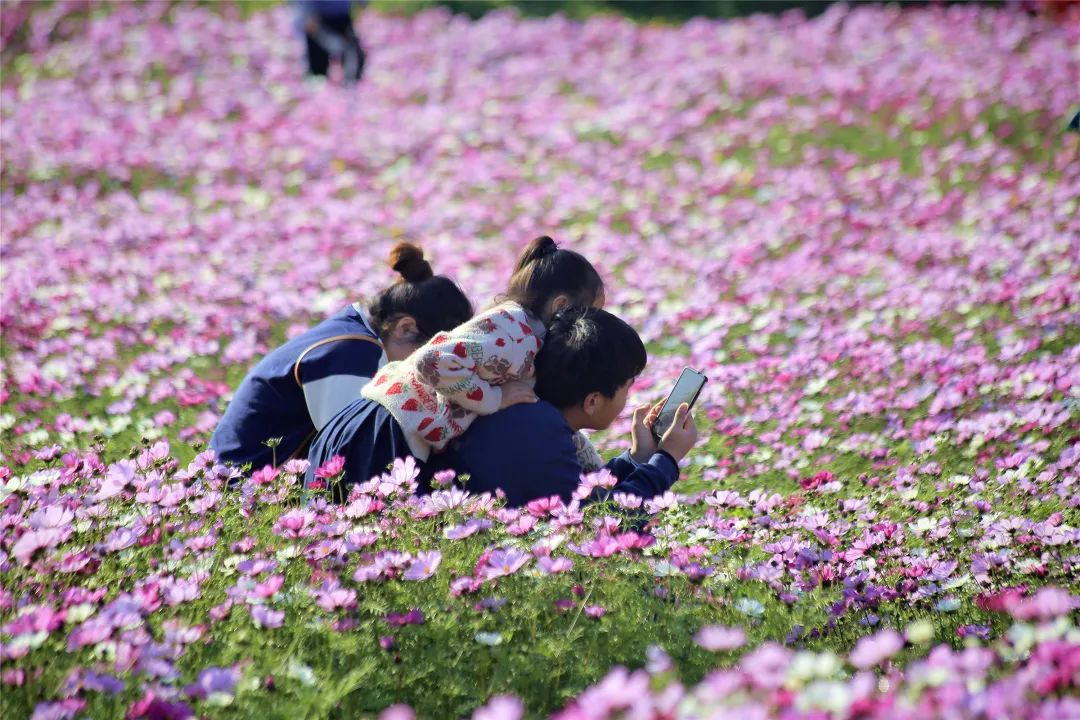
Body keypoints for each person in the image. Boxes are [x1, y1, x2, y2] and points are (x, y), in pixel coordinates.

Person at [304, 236, 606, 494]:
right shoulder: (515, 331)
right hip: (384, 428)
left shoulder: (522, 332)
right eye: (591, 314)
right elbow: (432, 362)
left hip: (388, 425)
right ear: (561, 306)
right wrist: (494, 400)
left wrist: (596, 470)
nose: (590, 328)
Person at [210, 243, 472, 472]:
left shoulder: (352, 331)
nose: (433, 374)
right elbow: (353, 452)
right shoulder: (352, 351)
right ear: (405, 328)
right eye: (433, 355)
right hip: (242, 490)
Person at [432, 307, 699, 507]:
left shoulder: (533, 417)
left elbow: (583, 495)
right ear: (593, 401)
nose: (628, 397)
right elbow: (603, 523)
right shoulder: (539, 433)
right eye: (627, 387)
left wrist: (639, 457)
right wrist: (667, 460)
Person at [293, 0, 366, 84]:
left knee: (353, 67)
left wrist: (362, 5)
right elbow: (306, 17)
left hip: (343, 17)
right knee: (318, 72)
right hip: (317, 21)